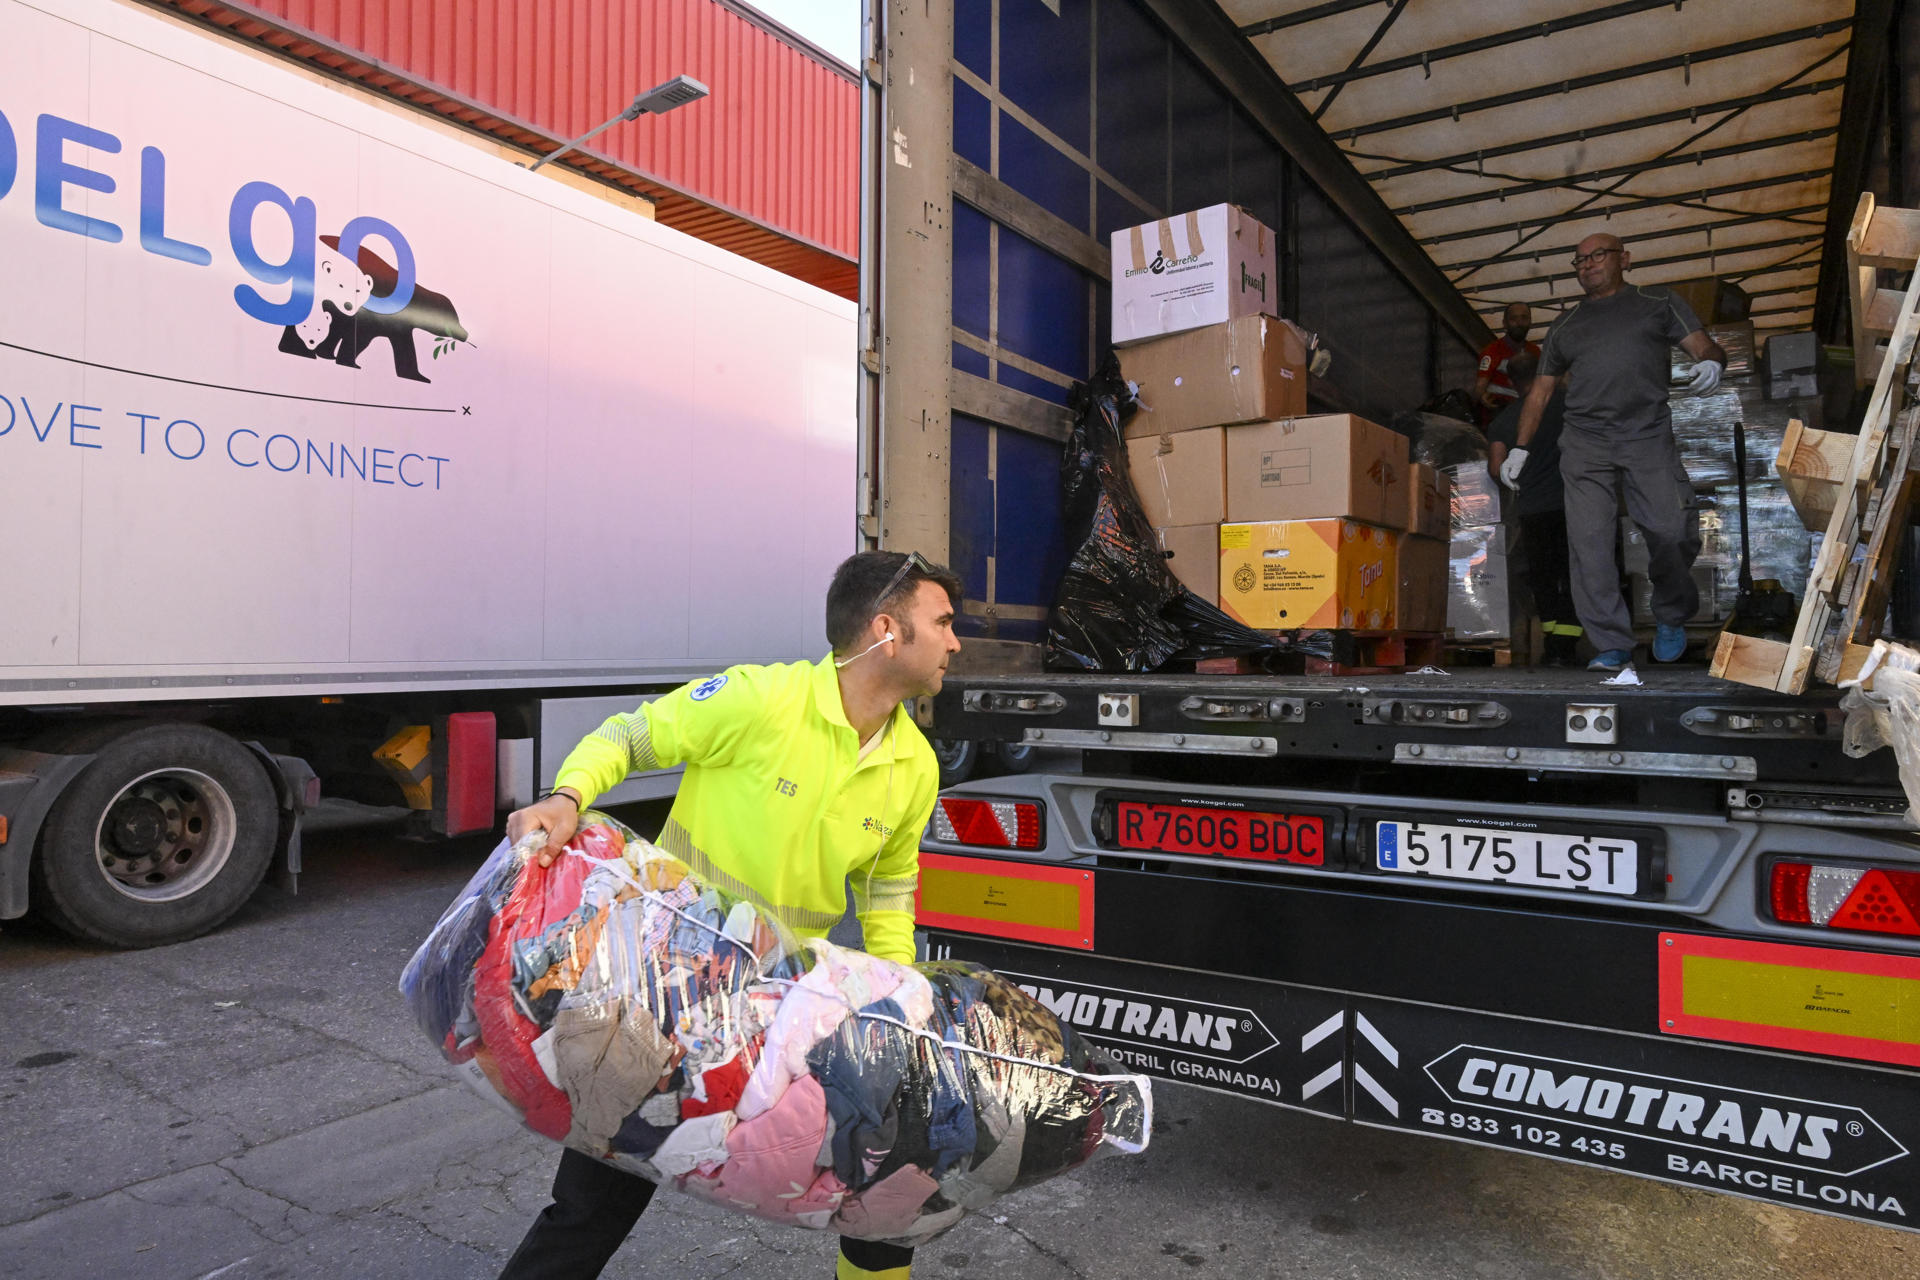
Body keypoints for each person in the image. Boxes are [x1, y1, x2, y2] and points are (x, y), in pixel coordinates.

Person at [496, 549, 963, 1280]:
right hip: (670, 987)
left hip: (787, 1004)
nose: (955, 641)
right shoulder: (758, 700)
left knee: (889, 1171)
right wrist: (567, 797)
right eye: (942, 622)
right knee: (593, 1204)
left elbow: (888, 888)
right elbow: (628, 737)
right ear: (886, 631)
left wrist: (897, 996)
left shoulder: (915, 764)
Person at [1505, 233, 1725, 672]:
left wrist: (1711, 361)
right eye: (1579, 259)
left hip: (1646, 434)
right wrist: (1520, 447)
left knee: (1670, 530)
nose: (1587, 265)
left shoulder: (1657, 302)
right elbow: (1540, 391)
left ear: (1624, 258)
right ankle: (1611, 643)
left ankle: (1669, 612)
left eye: (1597, 256)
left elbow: (1702, 344)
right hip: (1585, 442)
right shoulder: (1566, 325)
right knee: (1589, 546)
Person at [1486, 351, 1581, 666]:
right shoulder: (1569, 404)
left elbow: (1495, 468)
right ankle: (1569, 644)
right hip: (1574, 503)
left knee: (1543, 575)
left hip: (1533, 508)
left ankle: (1553, 646)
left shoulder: (1505, 420)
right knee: (1574, 572)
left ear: (1512, 382)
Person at [1473, 302, 1541, 419]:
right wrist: (1482, 396)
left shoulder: (1536, 352)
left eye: (1524, 318)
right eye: (1513, 318)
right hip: (1499, 416)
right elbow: (1480, 387)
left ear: (1530, 321)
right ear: (1504, 323)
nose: (1519, 323)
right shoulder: (1492, 351)